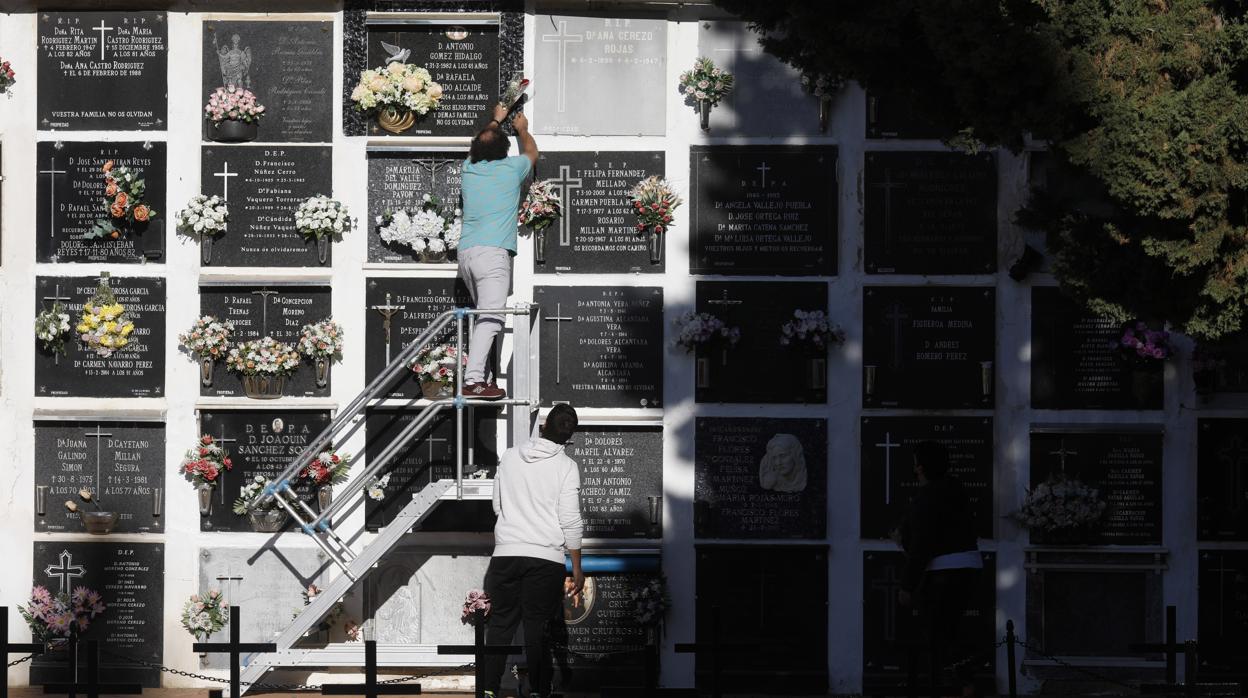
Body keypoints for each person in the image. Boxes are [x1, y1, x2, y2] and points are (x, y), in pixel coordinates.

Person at [480, 404, 584, 698]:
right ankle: (539, 690)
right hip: (545, 558)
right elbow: (570, 520)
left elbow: (497, 505)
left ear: (543, 426)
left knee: (500, 624)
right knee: (537, 628)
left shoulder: (511, 457)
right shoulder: (566, 467)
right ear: (570, 434)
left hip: (506, 553)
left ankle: (488, 689)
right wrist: (577, 566)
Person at [457, 102, 539, 400]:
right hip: (493, 255)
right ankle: (474, 381)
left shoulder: (469, 169)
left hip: (466, 253)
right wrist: (522, 130)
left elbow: (483, 143)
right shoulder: (512, 168)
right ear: (506, 150)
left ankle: (485, 376)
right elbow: (531, 153)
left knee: (486, 319)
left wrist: (495, 120)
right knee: (492, 318)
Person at [897, 440, 983, 698]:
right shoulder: (956, 489)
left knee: (940, 633)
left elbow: (923, 543)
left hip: (943, 573)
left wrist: (907, 585)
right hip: (967, 567)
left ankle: (956, 684)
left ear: (920, 467)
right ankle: (962, 681)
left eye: (915, 462)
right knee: (952, 628)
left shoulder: (927, 496)